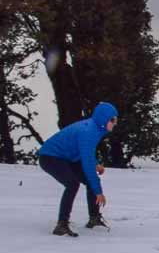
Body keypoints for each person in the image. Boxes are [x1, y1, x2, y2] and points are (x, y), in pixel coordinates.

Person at [37, 101, 118, 237]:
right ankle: (61, 225)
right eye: (113, 119)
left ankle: (94, 218)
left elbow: (86, 152)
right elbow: (86, 162)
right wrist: (98, 191)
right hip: (50, 157)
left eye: (116, 119)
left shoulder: (97, 127)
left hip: (67, 158)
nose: (115, 123)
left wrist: (95, 163)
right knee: (72, 184)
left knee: (90, 181)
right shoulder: (88, 131)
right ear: (104, 119)